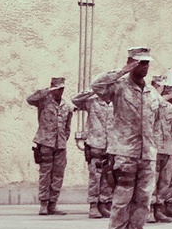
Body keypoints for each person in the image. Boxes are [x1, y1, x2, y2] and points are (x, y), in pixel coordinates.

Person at [92, 46, 159, 229]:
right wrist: (122, 70)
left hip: (147, 155)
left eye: (147, 62)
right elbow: (96, 85)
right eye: (141, 62)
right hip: (124, 153)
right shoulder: (119, 87)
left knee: (142, 201)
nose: (145, 66)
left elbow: (154, 120)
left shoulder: (151, 92)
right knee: (122, 200)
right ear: (131, 62)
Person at [28, 76, 73, 216]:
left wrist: (64, 139)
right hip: (45, 143)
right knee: (45, 174)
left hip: (60, 145)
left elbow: (67, 126)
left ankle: (53, 204)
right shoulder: (43, 102)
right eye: (58, 89)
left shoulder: (66, 106)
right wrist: (46, 91)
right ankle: (43, 203)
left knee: (58, 174)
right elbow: (30, 99)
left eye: (62, 89)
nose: (60, 92)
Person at [71, 89, 115, 218]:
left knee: (109, 177)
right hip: (96, 145)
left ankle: (104, 203)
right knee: (95, 177)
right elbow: (76, 100)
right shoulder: (92, 103)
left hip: (111, 146)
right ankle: (93, 205)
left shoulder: (116, 104)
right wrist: (93, 90)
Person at [149, 82, 172, 224]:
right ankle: (149, 211)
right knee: (152, 181)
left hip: (167, 148)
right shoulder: (151, 105)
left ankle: (159, 209)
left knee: (165, 181)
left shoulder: (170, 108)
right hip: (154, 148)